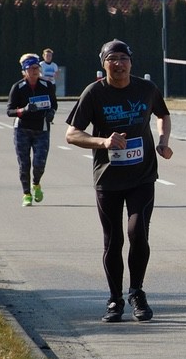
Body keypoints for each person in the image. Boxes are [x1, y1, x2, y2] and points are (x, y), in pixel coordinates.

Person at [65, 39, 173, 323]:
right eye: (112, 59)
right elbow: (72, 134)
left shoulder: (146, 89)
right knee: (113, 240)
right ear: (104, 64)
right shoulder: (94, 93)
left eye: (124, 58)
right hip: (108, 178)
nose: (119, 63)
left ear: (131, 62)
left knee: (138, 233)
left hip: (142, 176)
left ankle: (137, 292)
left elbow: (163, 114)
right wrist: (103, 141)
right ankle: (115, 299)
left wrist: (163, 141)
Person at [6, 53, 58, 206]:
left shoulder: (47, 85)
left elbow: (54, 104)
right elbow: (9, 111)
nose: (35, 71)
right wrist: (24, 110)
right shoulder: (18, 87)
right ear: (24, 71)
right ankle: (26, 194)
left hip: (41, 129)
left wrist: (51, 113)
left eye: (36, 68)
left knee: (39, 164)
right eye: (31, 68)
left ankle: (36, 183)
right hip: (22, 129)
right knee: (24, 164)